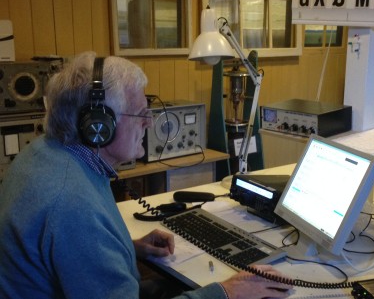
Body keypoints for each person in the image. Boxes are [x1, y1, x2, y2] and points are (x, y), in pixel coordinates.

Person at [0, 51, 293, 299]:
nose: (150, 123)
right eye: (140, 113)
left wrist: (126, 248)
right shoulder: (71, 202)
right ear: (98, 125)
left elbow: (69, 250)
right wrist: (228, 292)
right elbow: (76, 228)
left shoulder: (44, 153)